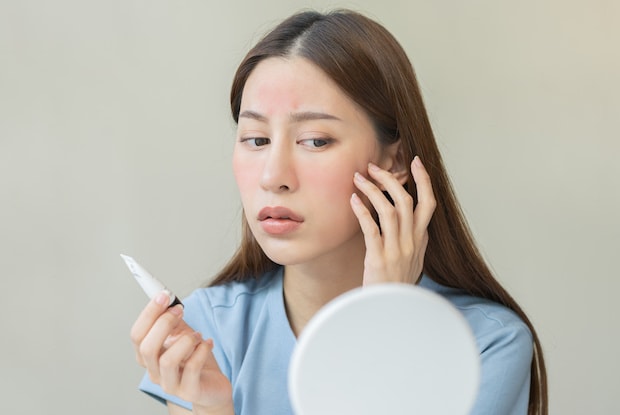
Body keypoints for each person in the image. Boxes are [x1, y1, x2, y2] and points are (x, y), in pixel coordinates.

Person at [130, 9, 548, 415]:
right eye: (256, 140)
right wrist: (213, 410)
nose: (274, 176)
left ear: (394, 161)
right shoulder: (209, 330)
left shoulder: (485, 345)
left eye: (315, 140)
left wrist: (384, 321)